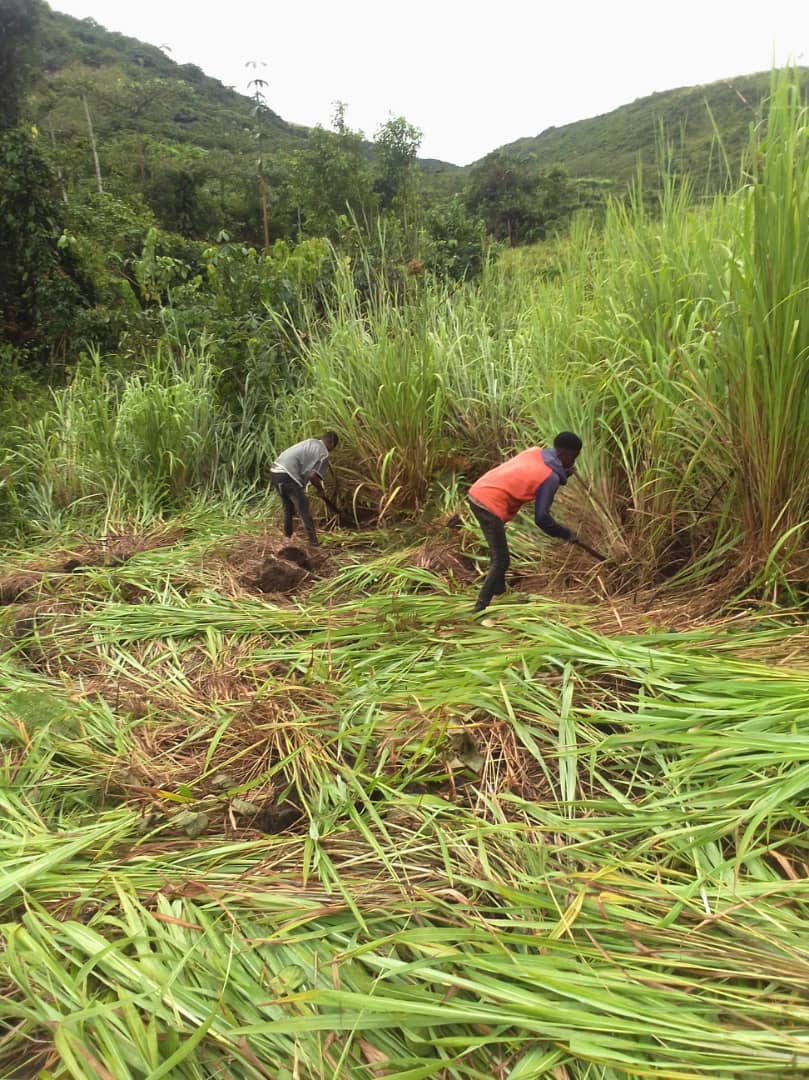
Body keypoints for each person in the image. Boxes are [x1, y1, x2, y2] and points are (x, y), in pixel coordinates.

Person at [467, 432, 582, 612]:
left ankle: (500, 591)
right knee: (501, 561)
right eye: (573, 458)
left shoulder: (535, 452)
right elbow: (542, 519)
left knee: (497, 552)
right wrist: (566, 534)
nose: (573, 463)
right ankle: (479, 610)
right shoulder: (550, 477)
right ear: (565, 455)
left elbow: (536, 474)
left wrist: (564, 474)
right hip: (490, 505)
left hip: (478, 491)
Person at [269, 432, 338, 545]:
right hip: (288, 475)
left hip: (275, 471)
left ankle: (287, 539)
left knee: (288, 508)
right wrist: (320, 490)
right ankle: (314, 544)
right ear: (331, 444)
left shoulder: (310, 442)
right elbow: (312, 476)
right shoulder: (324, 453)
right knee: (304, 511)